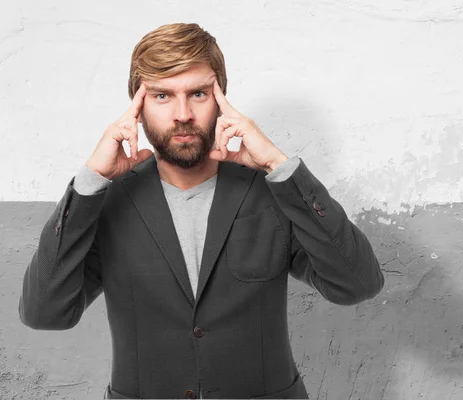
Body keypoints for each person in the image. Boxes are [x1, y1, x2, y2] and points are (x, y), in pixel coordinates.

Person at [18, 22, 384, 399]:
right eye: (162, 96)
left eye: (198, 93)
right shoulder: (106, 202)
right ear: (138, 109)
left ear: (221, 99)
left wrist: (278, 164)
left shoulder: (272, 193)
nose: (182, 114)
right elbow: (44, 313)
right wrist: (90, 179)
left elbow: (357, 284)